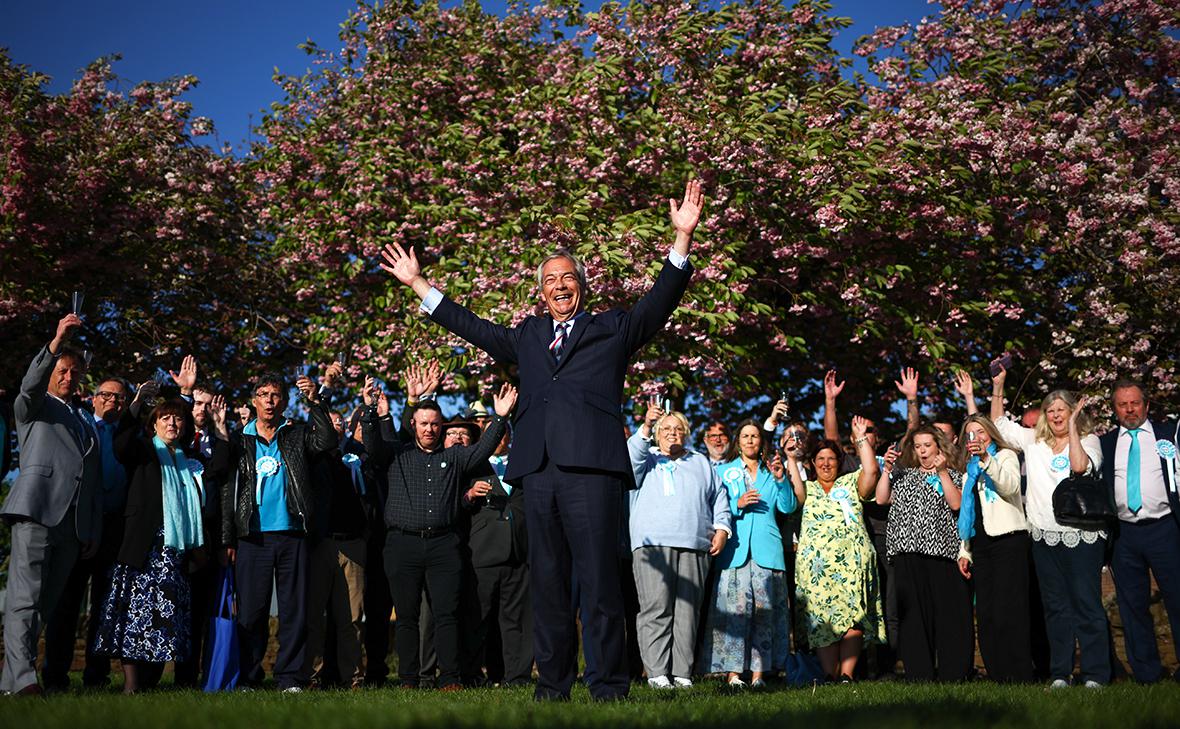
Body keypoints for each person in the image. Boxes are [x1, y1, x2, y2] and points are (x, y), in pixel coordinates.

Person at [378, 177, 704, 701]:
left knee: (599, 587)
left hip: (592, 472)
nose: (559, 285)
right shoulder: (528, 335)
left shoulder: (611, 330)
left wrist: (681, 241)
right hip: (538, 474)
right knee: (548, 586)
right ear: (541, 290)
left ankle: (608, 688)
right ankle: (552, 687)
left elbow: (657, 304)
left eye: (568, 277)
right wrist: (420, 284)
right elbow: (474, 327)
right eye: (550, 279)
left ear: (582, 285)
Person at [362, 379, 517, 691]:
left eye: (434, 424)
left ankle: (449, 678)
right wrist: (371, 412)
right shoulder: (397, 454)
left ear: (441, 427)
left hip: (444, 545)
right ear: (414, 425)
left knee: (446, 615)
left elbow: (484, 447)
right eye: (423, 424)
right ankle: (408, 679)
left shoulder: (457, 458)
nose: (429, 429)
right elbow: (373, 446)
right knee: (406, 616)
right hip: (401, 544)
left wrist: (499, 417)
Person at [93, 380, 228, 693]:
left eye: (178, 418)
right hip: (142, 548)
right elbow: (122, 443)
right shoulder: (144, 452)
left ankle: (151, 682)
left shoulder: (189, 461)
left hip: (172, 553)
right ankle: (130, 685)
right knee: (134, 617)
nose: (172, 422)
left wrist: (221, 429)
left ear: (185, 427)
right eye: (165, 417)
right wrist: (137, 402)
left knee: (161, 619)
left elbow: (219, 469)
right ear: (153, 423)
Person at [1, 314, 102, 696]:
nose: (68, 376)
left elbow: (90, 480)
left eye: (75, 372)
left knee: (45, 604)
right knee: (24, 599)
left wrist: (89, 527)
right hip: (36, 511)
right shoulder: (35, 405)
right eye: (62, 369)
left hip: (72, 526)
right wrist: (57, 342)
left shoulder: (85, 420)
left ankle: (12, 679)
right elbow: (28, 386)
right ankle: (25, 679)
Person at [989, 366, 1109, 688]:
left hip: (1081, 537)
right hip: (1043, 536)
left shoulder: (1089, 440)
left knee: (1086, 603)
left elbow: (1079, 467)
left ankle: (1096, 673)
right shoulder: (1033, 441)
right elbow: (998, 424)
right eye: (1051, 410)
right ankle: (1060, 673)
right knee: (1055, 608)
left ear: (1072, 413)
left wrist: (1072, 429)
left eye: (1062, 410)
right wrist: (998, 386)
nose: (1056, 415)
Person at [220, 365, 338, 692]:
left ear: (284, 401)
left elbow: (327, 440)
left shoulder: (296, 433)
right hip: (252, 537)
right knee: (251, 612)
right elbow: (229, 491)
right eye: (263, 395)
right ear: (254, 401)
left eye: (276, 396)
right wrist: (229, 537)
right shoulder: (239, 439)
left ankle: (289, 678)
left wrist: (315, 402)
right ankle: (249, 676)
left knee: (293, 611)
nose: (269, 401)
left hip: (293, 534)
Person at [627, 399, 731, 689]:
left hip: (695, 543)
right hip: (651, 545)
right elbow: (631, 455)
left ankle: (682, 673)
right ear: (658, 433)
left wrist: (722, 529)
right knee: (656, 607)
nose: (672, 433)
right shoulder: (645, 458)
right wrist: (646, 425)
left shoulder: (700, 461)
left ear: (686, 433)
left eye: (678, 429)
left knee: (688, 611)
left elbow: (719, 498)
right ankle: (658, 672)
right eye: (666, 429)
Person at [42, 376, 130, 691]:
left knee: (105, 607)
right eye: (106, 395)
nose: (112, 401)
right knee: (66, 604)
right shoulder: (78, 425)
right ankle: (54, 676)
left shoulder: (130, 434)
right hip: (77, 525)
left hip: (115, 528)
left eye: (120, 398)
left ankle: (97, 676)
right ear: (93, 398)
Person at [700, 418, 797, 688]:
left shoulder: (771, 472)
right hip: (735, 550)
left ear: (761, 441)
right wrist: (737, 503)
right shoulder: (725, 471)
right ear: (738, 442)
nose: (751, 440)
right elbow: (714, 509)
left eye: (755, 436)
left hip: (768, 551)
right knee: (734, 611)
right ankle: (733, 674)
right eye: (745, 436)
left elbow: (788, 508)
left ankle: (759, 674)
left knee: (764, 613)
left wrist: (780, 480)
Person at [786, 417, 883, 682]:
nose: (826, 463)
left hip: (852, 561)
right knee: (821, 620)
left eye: (831, 458)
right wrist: (792, 459)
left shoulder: (851, 482)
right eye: (820, 459)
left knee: (854, 616)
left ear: (839, 462)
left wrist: (861, 438)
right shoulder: (807, 489)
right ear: (813, 464)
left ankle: (847, 675)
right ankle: (829, 675)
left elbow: (872, 472)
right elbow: (794, 491)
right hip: (815, 568)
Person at [952, 373, 1033, 683]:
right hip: (981, 545)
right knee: (986, 614)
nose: (976, 438)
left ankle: (1019, 674)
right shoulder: (967, 470)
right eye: (970, 434)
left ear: (989, 435)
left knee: (1010, 611)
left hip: (1009, 542)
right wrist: (964, 551)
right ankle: (998, 674)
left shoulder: (1007, 457)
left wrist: (987, 459)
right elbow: (968, 515)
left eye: (981, 432)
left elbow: (1011, 486)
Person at [1099, 379, 1180, 684]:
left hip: (1165, 528)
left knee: (1177, 598)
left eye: (1135, 403)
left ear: (1146, 405)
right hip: (1124, 535)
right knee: (1132, 605)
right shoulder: (1105, 443)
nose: (1130, 409)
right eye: (1123, 404)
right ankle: (1147, 673)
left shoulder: (1168, 434)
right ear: (1115, 408)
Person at [876, 424, 972, 682]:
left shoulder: (952, 474)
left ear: (939, 446)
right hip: (907, 552)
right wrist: (886, 471)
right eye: (918, 446)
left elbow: (957, 503)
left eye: (927, 445)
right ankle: (919, 675)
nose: (922, 451)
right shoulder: (904, 475)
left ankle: (953, 673)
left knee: (947, 615)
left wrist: (941, 473)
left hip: (941, 553)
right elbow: (881, 499)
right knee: (913, 619)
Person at [304, 408, 374, 690]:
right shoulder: (313, 457)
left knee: (353, 618)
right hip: (321, 544)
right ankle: (311, 676)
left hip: (353, 544)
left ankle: (354, 677)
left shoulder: (357, 457)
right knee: (314, 617)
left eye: (341, 424)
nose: (336, 427)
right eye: (330, 423)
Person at [463, 426, 533, 687]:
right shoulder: (472, 465)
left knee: (516, 621)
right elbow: (457, 503)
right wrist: (469, 496)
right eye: (496, 434)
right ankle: (471, 674)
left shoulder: (524, 464)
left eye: (505, 434)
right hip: (483, 551)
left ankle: (518, 677)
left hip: (519, 552)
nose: (501, 439)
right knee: (477, 619)